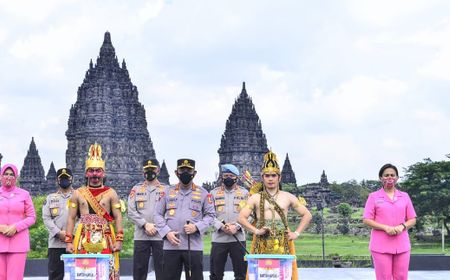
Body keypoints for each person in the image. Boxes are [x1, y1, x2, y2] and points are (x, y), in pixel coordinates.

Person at [238, 151, 312, 280]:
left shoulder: (288, 197)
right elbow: (241, 218)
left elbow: (307, 215)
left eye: (273, 175)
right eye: (267, 176)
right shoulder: (255, 198)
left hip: (283, 241)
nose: (270, 179)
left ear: (279, 177)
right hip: (261, 241)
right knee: (260, 274)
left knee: (284, 275)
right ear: (263, 177)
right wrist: (256, 230)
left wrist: (296, 233)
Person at [65, 143, 124, 280]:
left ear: (103, 173)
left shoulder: (111, 193)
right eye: (91, 171)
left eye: (98, 171)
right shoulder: (78, 193)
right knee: (84, 272)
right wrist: (68, 242)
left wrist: (119, 240)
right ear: (86, 173)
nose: (95, 174)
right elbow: (71, 218)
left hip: (105, 237)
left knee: (105, 272)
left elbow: (118, 217)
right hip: (83, 237)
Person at [154, 158, 215, 280]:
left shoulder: (203, 193)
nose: (185, 172)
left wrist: (196, 227)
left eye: (189, 170)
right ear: (176, 173)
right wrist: (167, 233)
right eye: (182, 170)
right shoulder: (166, 192)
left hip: (193, 246)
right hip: (171, 245)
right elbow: (157, 214)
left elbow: (211, 216)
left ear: (194, 173)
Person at [363, 163, 417, 280]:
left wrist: (403, 226)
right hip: (380, 246)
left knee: (402, 277)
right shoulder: (374, 197)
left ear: (397, 178)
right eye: (386, 175)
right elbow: (367, 219)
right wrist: (385, 227)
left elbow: (412, 219)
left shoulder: (405, 196)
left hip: (402, 245)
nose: (389, 178)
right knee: (384, 277)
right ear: (381, 178)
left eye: (392, 175)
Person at [128, 159, 166, 280]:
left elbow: (171, 212)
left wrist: (157, 226)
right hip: (141, 235)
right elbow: (131, 211)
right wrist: (145, 225)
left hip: (160, 235)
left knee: (163, 269)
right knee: (139, 270)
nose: (150, 171)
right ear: (142, 171)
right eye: (147, 169)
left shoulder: (166, 190)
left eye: (153, 169)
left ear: (158, 170)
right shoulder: (136, 189)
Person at [209, 164, 248, 280]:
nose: (228, 178)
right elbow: (209, 215)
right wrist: (221, 226)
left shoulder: (245, 193)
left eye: (231, 175)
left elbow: (250, 215)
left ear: (236, 177)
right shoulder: (213, 193)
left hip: (238, 238)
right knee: (216, 274)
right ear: (221, 177)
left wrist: (237, 226)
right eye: (225, 175)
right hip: (219, 239)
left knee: (240, 274)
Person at [0, 163, 36, 280]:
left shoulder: (24, 194)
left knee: (14, 277)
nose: (8, 177)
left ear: (16, 177)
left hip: (18, 243)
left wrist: (16, 227)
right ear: (1, 176)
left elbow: (32, 217)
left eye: (11, 174)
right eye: (6, 174)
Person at [43, 168, 74, 280]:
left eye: (67, 178)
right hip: (55, 244)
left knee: (76, 275)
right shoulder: (50, 198)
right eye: (62, 178)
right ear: (57, 180)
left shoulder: (79, 196)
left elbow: (83, 218)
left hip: (74, 243)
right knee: (55, 276)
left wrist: (71, 234)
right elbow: (46, 218)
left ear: (72, 179)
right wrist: (58, 233)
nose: (64, 180)